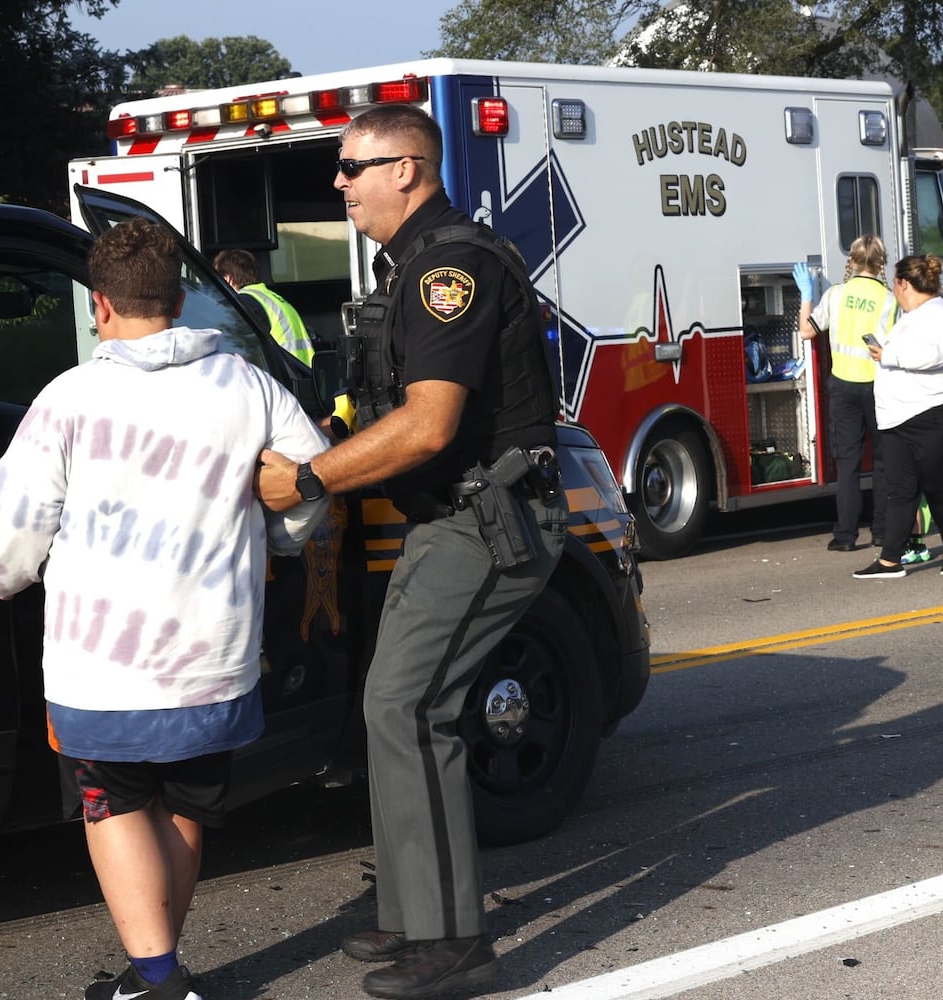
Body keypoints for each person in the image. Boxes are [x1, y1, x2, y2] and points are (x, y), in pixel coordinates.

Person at [256, 103, 566, 1000]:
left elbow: (429, 427)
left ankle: (454, 944)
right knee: (389, 704)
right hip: (449, 522)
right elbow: (383, 403)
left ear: (408, 169)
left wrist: (312, 479)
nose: (339, 182)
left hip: (488, 522)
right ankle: (411, 911)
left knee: (408, 706)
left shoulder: (450, 268)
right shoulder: (408, 269)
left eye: (354, 166)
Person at [0, 217, 331, 1000]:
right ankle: (156, 970)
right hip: (214, 656)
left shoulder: (69, 398)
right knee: (182, 805)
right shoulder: (251, 386)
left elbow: (16, 525)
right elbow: (308, 496)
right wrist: (274, 536)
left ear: (100, 306)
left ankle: (162, 981)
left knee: (112, 807)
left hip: (99, 666)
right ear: (181, 298)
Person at [853, 254, 943, 579]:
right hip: (900, 419)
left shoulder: (940, 312)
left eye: (894, 284)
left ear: (904, 283)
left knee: (937, 487)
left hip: (937, 412)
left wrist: (888, 354)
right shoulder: (910, 316)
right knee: (899, 490)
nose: (893, 291)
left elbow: (938, 354)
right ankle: (890, 560)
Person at [795, 235, 899, 552]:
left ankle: (845, 536)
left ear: (851, 262)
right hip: (879, 387)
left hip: (843, 386)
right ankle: (881, 532)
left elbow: (807, 331)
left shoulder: (837, 295)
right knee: (882, 462)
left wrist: (806, 296)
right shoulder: (889, 299)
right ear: (881, 264)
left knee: (848, 464)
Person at [214, 248, 316, 365]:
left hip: (285, 376)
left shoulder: (246, 302)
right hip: (302, 373)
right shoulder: (271, 298)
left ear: (228, 279)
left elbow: (235, 346)